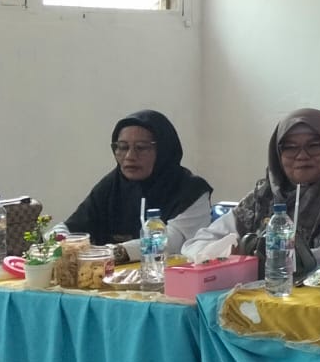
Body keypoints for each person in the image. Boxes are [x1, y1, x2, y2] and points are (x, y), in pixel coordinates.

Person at [182, 108, 320, 278]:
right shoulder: (266, 194)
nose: (302, 156)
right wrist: (229, 252)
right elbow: (195, 244)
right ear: (277, 153)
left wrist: (268, 259)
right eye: (290, 148)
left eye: (314, 145)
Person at [62, 110, 212, 261]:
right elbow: (72, 227)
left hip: (167, 273)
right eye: (122, 147)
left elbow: (173, 241)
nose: (130, 156)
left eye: (141, 147)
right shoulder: (112, 185)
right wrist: (56, 243)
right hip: (111, 272)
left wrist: (119, 252)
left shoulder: (191, 191)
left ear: (163, 150)